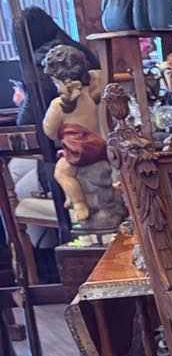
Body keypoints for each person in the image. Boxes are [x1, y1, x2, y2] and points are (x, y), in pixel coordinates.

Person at [40, 44, 108, 225]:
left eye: (55, 82)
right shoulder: (93, 91)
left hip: (81, 151)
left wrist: (59, 135)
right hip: (100, 145)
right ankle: (73, 195)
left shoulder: (59, 105)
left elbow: (49, 131)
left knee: (61, 173)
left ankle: (79, 203)